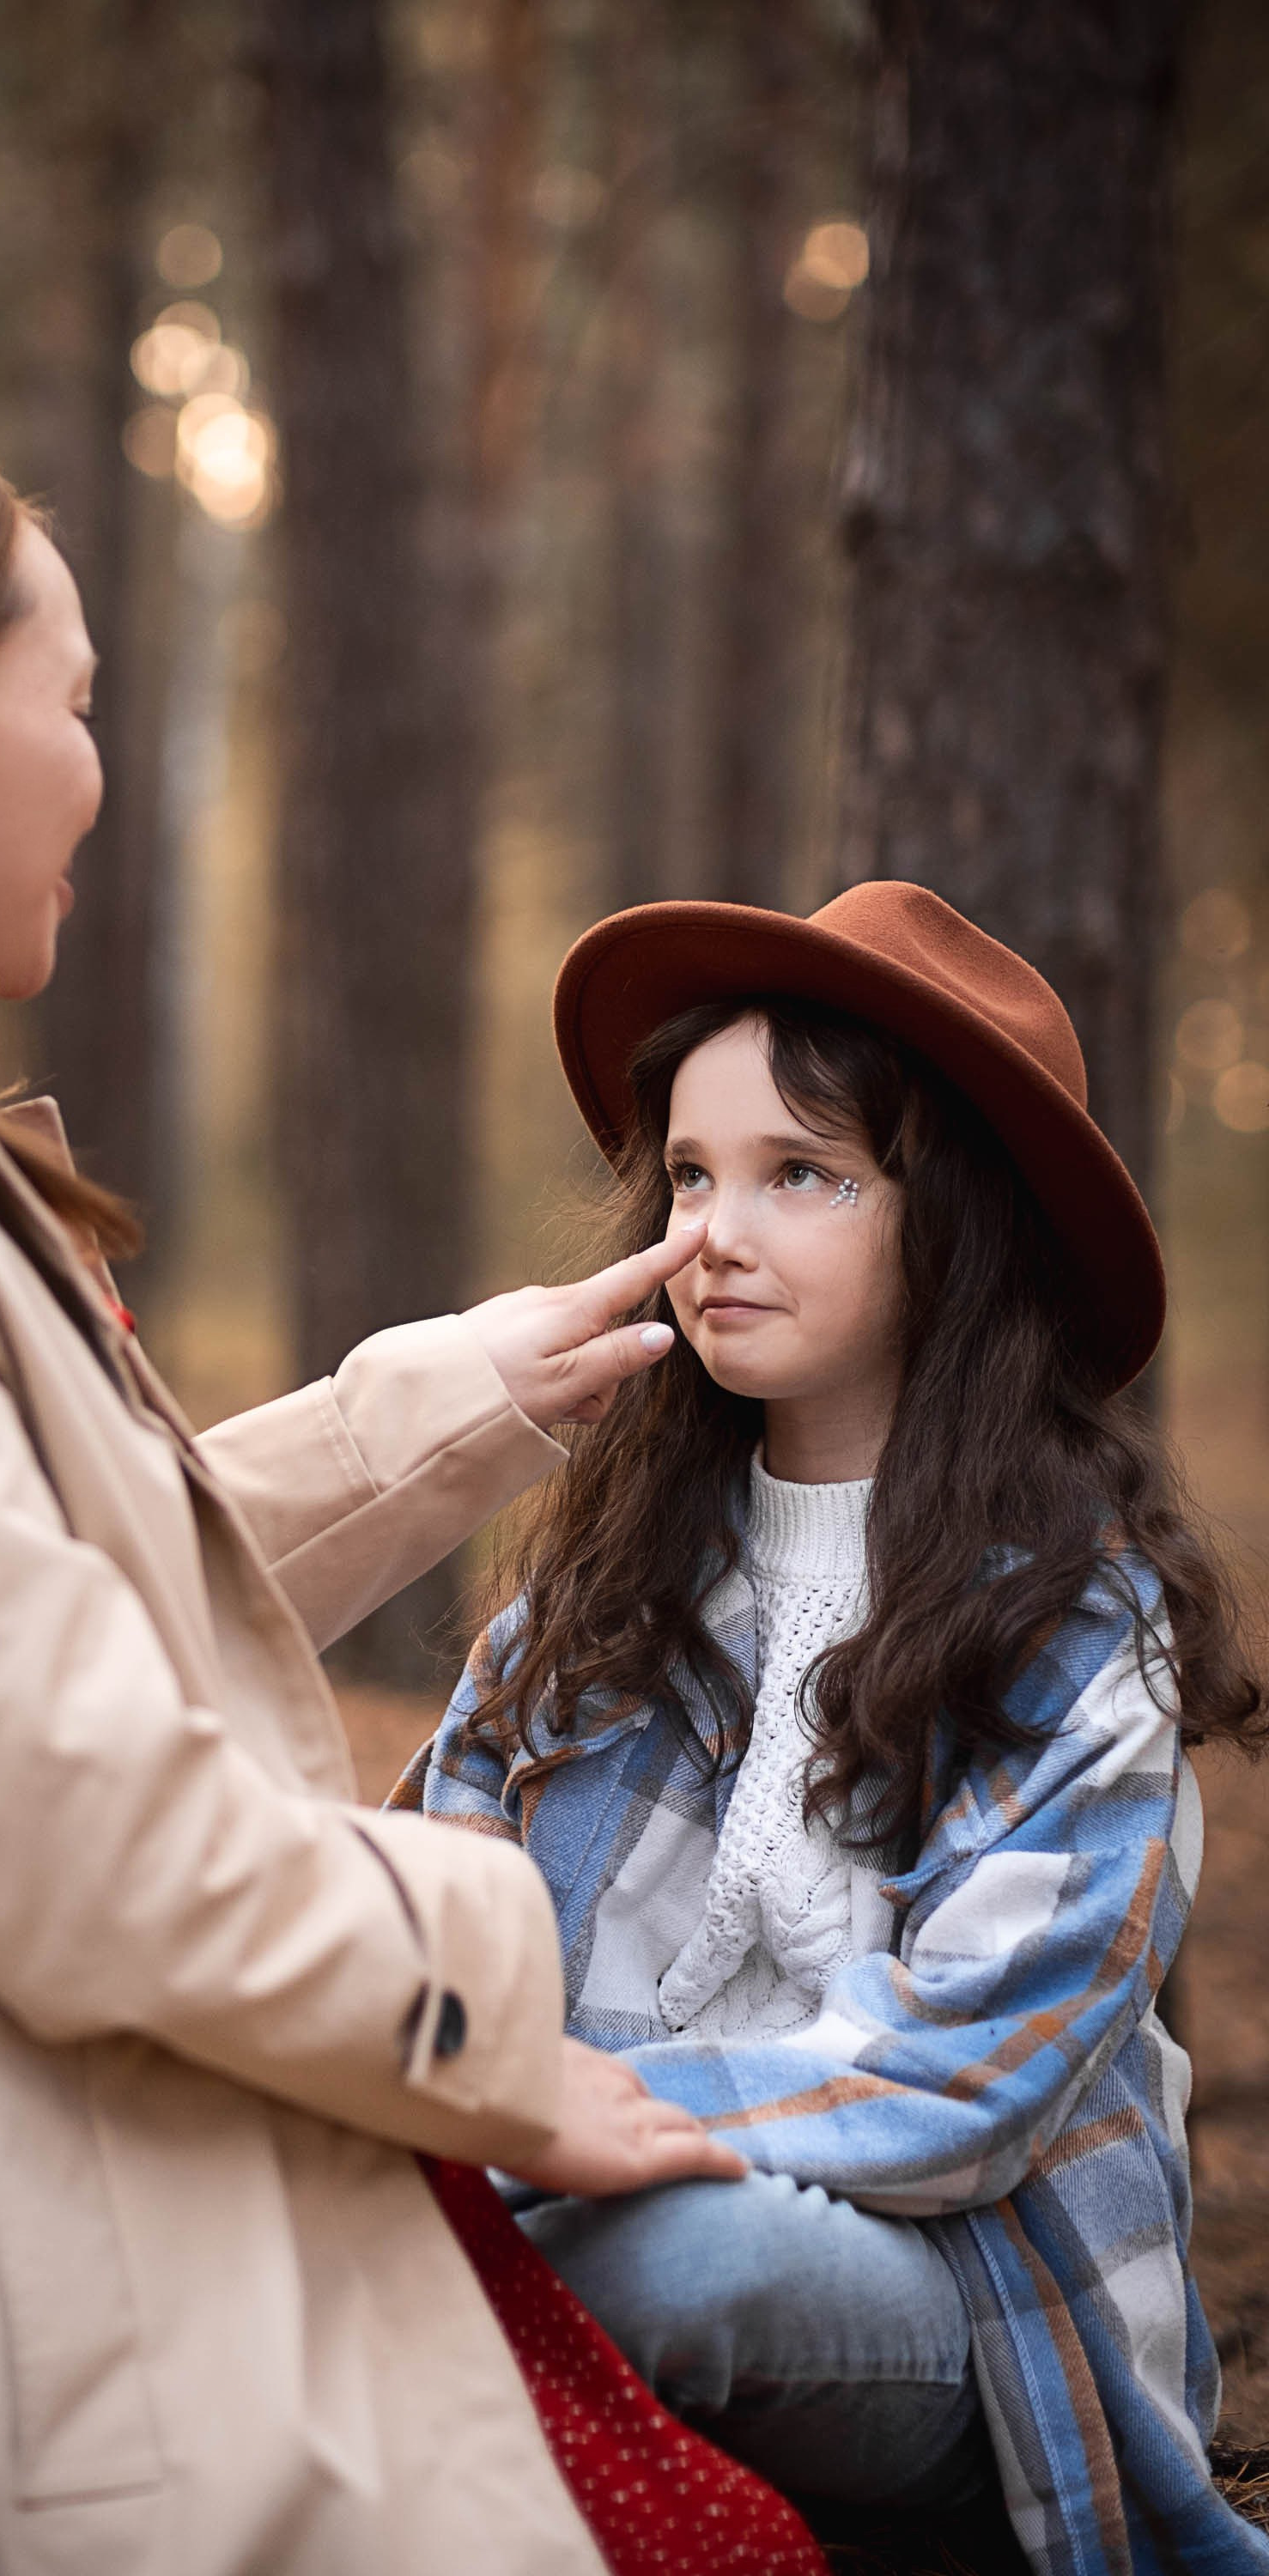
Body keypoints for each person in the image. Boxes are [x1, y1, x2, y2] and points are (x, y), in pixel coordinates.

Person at [0, 382, 784, 2576]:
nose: (101, 780)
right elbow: (74, 1817)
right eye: (79, 702)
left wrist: (451, 1400)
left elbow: (12, 1601)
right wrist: (503, 1995)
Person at [402, 882, 1269, 2575]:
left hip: (962, 2311)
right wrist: (463, 2091)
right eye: (692, 1173)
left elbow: (970, 2080)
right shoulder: (596, 1596)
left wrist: (565, 2127)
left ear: (951, 1225)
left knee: (665, 2266)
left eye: (800, 1174)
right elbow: (432, 1900)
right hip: (561, 2184)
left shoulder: (1081, 1638)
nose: (717, 1229)